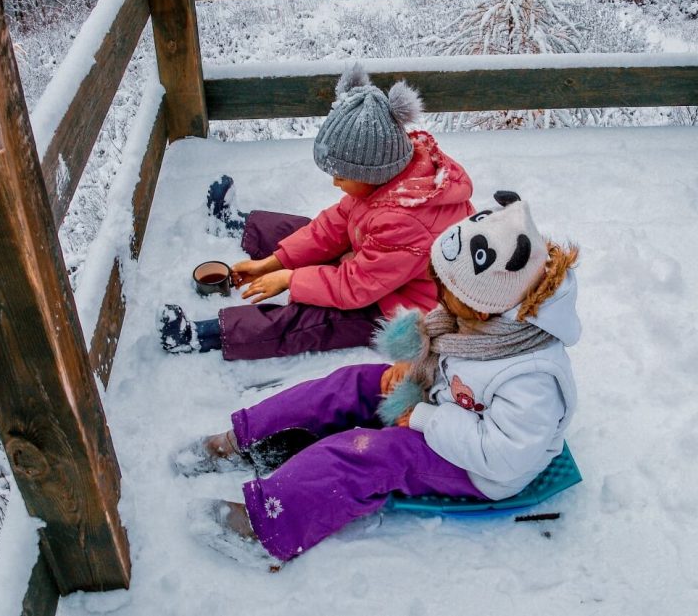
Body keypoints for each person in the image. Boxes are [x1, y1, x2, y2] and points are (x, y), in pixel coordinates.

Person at [177, 192, 581, 564]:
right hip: (443, 403)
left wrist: (422, 417)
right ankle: (250, 438)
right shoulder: (486, 317)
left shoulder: (533, 378)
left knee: (369, 454)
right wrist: (418, 366)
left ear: (480, 308)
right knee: (352, 384)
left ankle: (267, 525)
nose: (438, 298)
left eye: (448, 294)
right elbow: (454, 352)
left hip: (481, 468)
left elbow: (505, 455)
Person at [160, 65, 474, 361]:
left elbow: (353, 287)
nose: (335, 182)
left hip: (403, 308)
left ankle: (200, 336)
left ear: (372, 172)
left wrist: (290, 279)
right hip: (383, 268)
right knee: (315, 231)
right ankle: (236, 225)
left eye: (342, 175)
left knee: (312, 318)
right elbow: (333, 226)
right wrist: (274, 262)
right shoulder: (393, 176)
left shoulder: (406, 219)